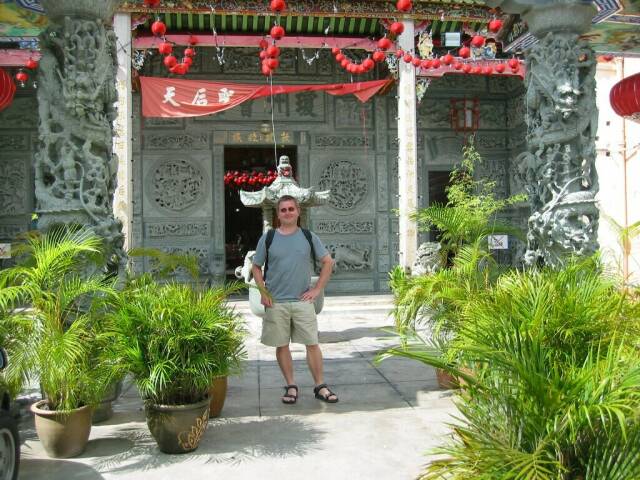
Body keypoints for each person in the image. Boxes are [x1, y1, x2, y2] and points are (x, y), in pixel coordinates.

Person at [252, 195, 337, 404]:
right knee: (281, 345)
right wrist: (263, 292)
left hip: (302, 302)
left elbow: (327, 262)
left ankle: (320, 385)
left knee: (312, 343)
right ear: (278, 214)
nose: (287, 213)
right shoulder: (269, 238)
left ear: (298, 212)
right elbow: (256, 266)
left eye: (291, 209)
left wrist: (317, 289)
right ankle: (291, 385)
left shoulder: (308, 236)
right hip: (276, 302)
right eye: (283, 210)